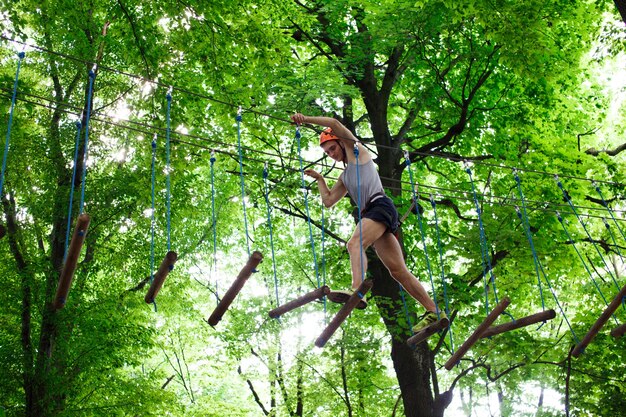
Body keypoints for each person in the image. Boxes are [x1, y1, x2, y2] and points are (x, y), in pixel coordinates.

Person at [290, 113, 445, 332]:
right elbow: (328, 201)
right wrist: (320, 180)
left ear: (341, 143)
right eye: (327, 153)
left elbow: (335, 124)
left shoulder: (358, 153)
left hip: (379, 206)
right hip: (374, 213)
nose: (331, 154)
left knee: (354, 244)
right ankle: (434, 311)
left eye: (332, 148)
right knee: (398, 271)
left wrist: (304, 119)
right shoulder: (345, 176)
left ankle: (356, 290)